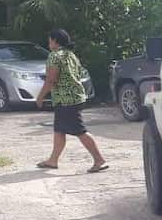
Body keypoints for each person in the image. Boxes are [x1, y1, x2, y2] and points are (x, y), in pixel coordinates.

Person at [34, 28, 108, 173]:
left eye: (50, 40)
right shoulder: (71, 55)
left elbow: (51, 79)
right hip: (74, 97)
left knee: (80, 131)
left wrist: (40, 97)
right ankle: (53, 160)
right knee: (59, 130)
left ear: (55, 41)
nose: (48, 44)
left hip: (66, 99)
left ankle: (99, 160)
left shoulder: (54, 56)